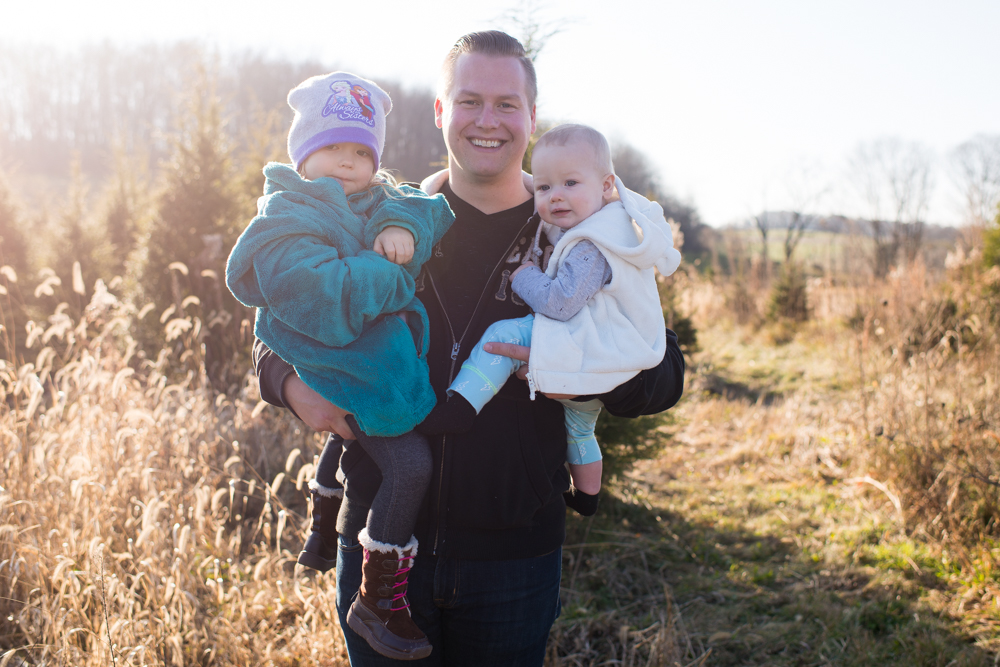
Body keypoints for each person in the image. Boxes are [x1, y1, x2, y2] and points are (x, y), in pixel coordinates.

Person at [252, 31, 685, 666]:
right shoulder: (379, 216)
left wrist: (581, 372)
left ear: (532, 118)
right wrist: (289, 387)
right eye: (470, 100)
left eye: (508, 104)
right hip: (381, 544)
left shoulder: (578, 232)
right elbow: (280, 320)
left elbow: (664, 371)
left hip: (513, 556)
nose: (488, 120)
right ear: (440, 111)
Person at [226, 71, 455, 660]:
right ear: (302, 154)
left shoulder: (375, 198)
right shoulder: (287, 219)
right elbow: (328, 302)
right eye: (332, 148)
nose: (348, 162)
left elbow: (428, 209)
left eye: (361, 151)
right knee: (409, 464)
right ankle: (376, 601)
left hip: (363, 366)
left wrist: (400, 225)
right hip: (332, 359)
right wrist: (394, 273)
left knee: (368, 412)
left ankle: (326, 507)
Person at [419, 123, 682, 516]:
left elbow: (560, 304)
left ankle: (459, 408)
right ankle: (589, 496)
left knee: (503, 336)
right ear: (440, 112)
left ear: (607, 184)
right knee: (579, 429)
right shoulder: (410, 216)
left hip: (582, 347)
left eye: (570, 183)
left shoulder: (593, 242)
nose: (556, 196)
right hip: (424, 507)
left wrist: (524, 276)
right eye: (544, 188)